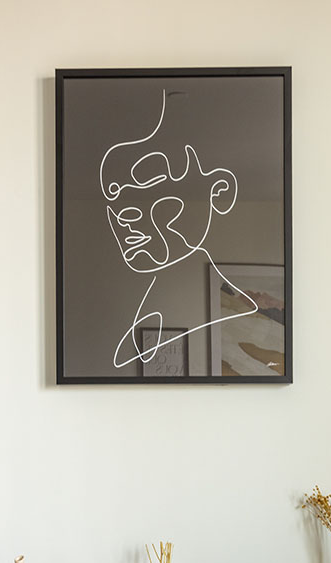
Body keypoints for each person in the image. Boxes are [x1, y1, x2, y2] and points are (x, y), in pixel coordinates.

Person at [99, 90, 258, 370]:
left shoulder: (238, 315)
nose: (123, 212)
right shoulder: (143, 312)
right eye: (114, 195)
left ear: (219, 189)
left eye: (153, 180)